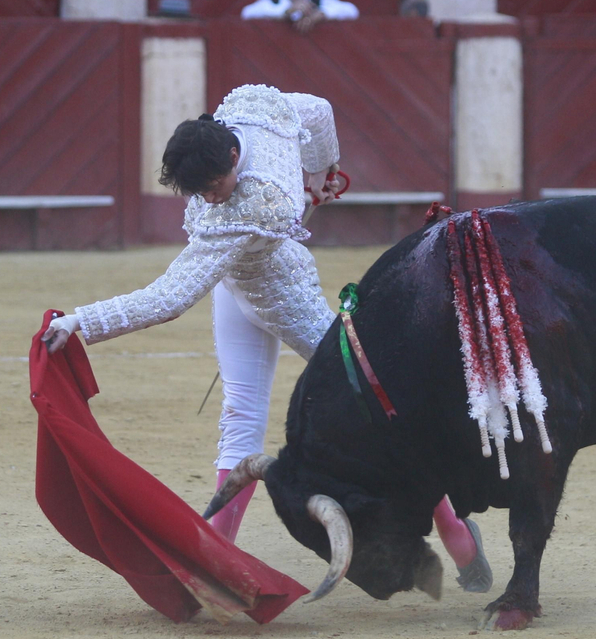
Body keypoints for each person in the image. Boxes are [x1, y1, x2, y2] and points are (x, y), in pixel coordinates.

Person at [39, 85, 493, 592]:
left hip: (288, 295)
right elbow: (317, 111)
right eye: (198, 192)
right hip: (234, 291)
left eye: (214, 185)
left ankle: (456, 533)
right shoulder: (252, 112)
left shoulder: (249, 204)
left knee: (377, 402)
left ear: (233, 154)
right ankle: (213, 558)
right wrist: (321, 174)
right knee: (241, 414)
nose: (208, 199)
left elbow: (170, 298)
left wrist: (84, 320)